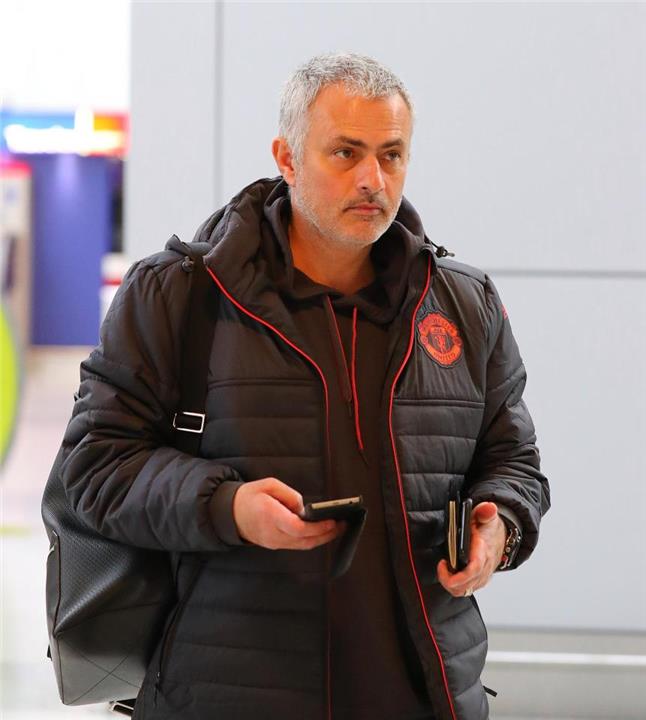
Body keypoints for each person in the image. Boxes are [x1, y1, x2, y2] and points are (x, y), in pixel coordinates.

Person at [60, 53, 550, 720]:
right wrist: (228, 506)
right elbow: (96, 467)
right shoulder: (177, 295)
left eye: (391, 155)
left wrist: (502, 528)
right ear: (287, 158)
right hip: (227, 694)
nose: (373, 179)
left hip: (425, 696)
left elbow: (514, 461)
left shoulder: (463, 303)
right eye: (345, 153)